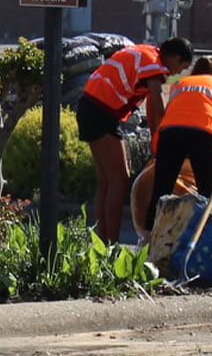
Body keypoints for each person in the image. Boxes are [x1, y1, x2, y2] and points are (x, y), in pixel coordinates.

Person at [76, 37, 194, 244]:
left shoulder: (147, 54)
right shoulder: (153, 64)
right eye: (181, 67)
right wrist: (170, 140)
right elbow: (158, 107)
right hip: (100, 111)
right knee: (119, 179)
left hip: (93, 108)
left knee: (106, 180)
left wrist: (157, 142)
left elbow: (151, 111)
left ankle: (103, 241)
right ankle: (111, 243)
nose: (178, 73)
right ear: (174, 57)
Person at [143, 58, 212, 233]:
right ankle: (207, 236)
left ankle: (150, 238)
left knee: (161, 191)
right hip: (204, 134)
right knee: (208, 195)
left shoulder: (179, 83)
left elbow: (172, 114)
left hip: (169, 133)